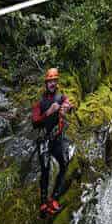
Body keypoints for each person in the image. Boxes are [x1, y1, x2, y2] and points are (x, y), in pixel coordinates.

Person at [30, 68, 75, 216]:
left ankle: (54, 198)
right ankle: (43, 202)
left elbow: (68, 105)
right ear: (46, 82)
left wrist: (68, 108)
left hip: (57, 139)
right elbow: (35, 122)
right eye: (50, 81)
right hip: (44, 139)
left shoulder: (61, 97)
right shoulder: (39, 102)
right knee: (45, 169)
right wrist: (49, 112)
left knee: (64, 164)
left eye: (55, 81)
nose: (53, 83)